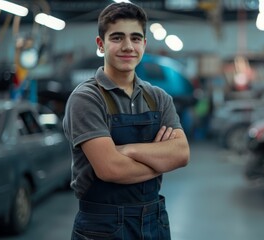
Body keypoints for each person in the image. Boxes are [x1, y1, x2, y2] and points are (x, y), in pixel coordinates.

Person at [62, 2, 190, 239]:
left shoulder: (158, 98)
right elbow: (110, 169)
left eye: (135, 38)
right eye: (117, 38)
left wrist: (127, 149)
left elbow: (181, 154)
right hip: (102, 225)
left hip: (155, 220)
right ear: (101, 44)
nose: (128, 46)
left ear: (144, 44)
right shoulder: (87, 98)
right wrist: (160, 156)